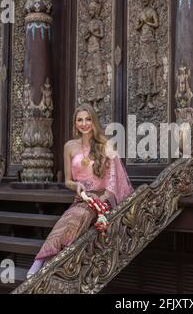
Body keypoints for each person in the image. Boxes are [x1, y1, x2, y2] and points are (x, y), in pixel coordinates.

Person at [26, 103, 133, 278]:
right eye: (80, 120)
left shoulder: (105, 145)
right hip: (81, 196)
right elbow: (68, 180)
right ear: (75, 123)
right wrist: (76, 186)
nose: (84, 123)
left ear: (94, 121)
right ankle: (43, 259)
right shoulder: (69, 146)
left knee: (78, 216)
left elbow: (113, 181)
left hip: (101, 198)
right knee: (71, 217)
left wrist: (100, 199)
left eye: (88, 119)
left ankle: (46, 262)